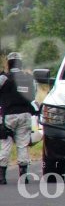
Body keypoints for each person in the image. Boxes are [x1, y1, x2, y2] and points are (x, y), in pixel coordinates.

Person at [0, 52, 37, 185]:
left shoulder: (4, 78)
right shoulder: (28, 78)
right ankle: (23, 175)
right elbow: (33, 95)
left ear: (9, 63)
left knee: (5, 144)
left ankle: (2, 176)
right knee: (23, 145)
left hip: (8, 116)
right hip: (25, 115)